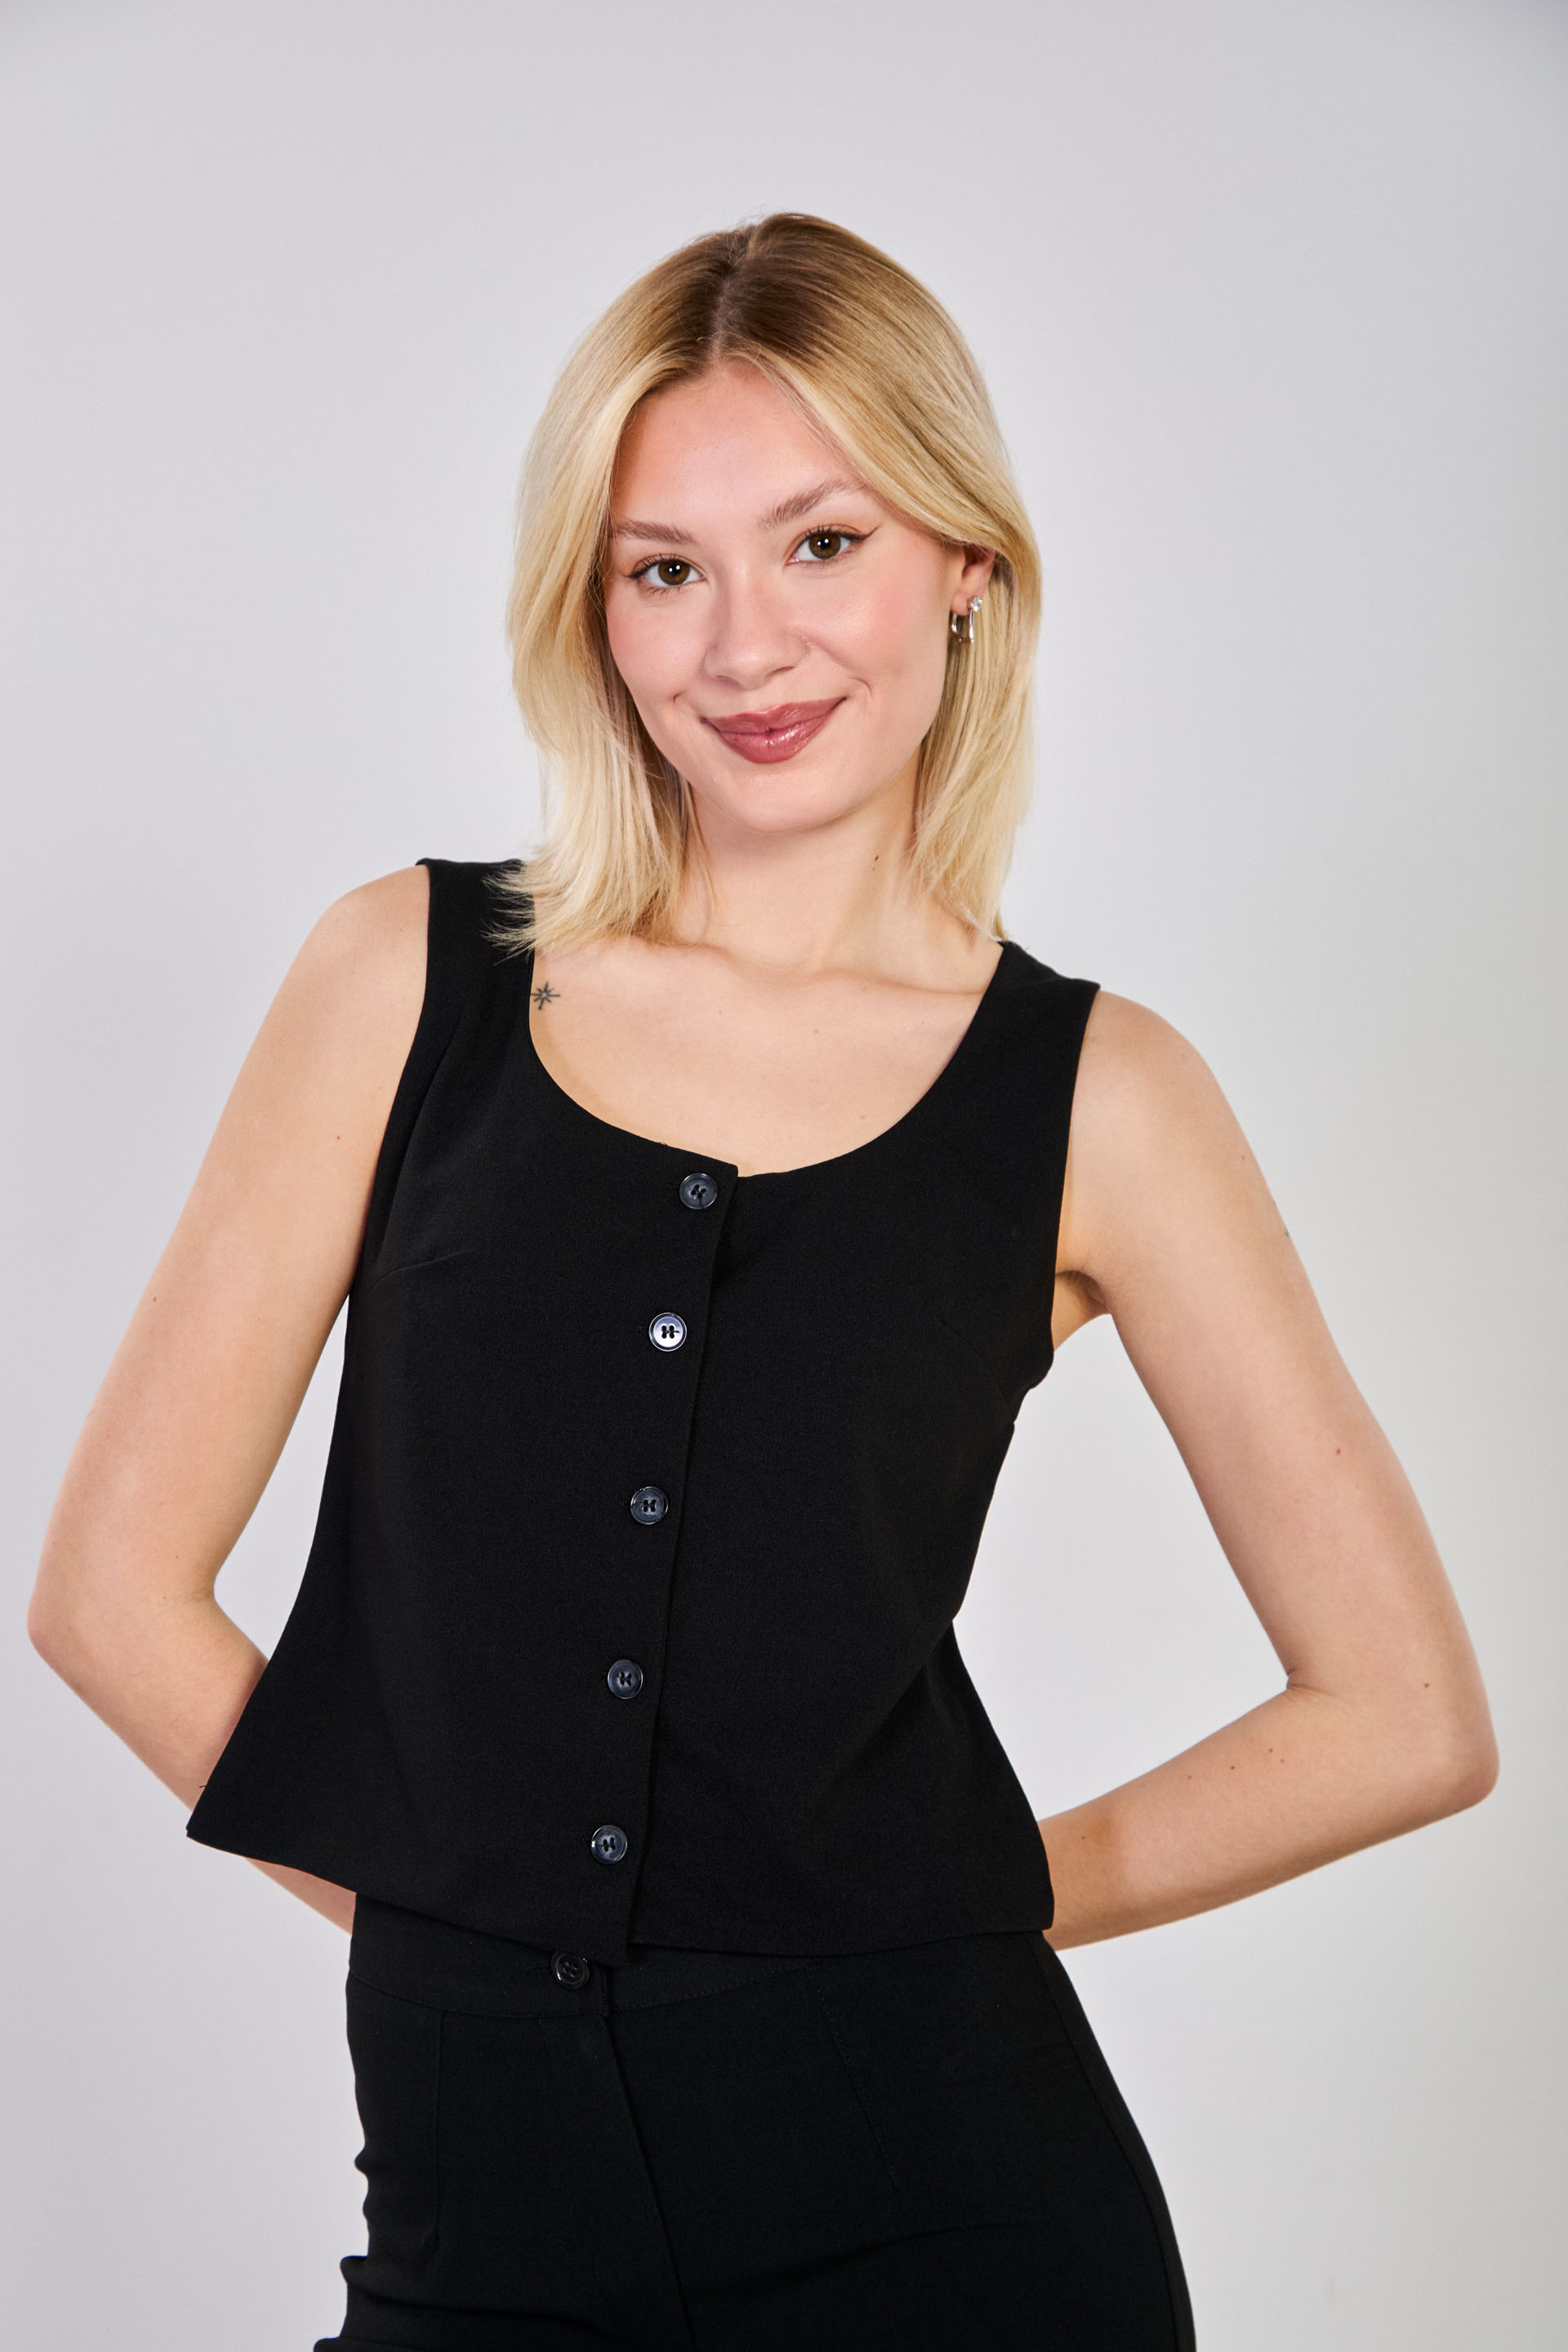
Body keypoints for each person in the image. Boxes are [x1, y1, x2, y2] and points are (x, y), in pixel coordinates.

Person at [29, 214, 1497, 2352]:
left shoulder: (1109, 1099)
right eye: (665, 569)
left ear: (963, 561)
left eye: (822, 542)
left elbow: (1404, 1718)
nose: (747, 645)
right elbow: (110, 1593)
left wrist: (943, 1922)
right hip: (473, 2226)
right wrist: (469, 1924)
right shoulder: (402, 982)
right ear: (594, 615)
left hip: (951, 2218)